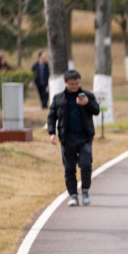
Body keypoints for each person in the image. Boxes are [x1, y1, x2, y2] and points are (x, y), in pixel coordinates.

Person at [47, 70, 101, 207]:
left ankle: (85, 190)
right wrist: (52, 132)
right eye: (72, 84)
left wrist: (87, 103)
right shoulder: (58, 98)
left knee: (86, 164)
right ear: (65, 83)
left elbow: (96, 110)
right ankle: (73, 195)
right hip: (67, 138)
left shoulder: (87, 95)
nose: (75, 86)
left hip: (85, 138)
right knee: (69, 168)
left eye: (77, 83)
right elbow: (52, 116)